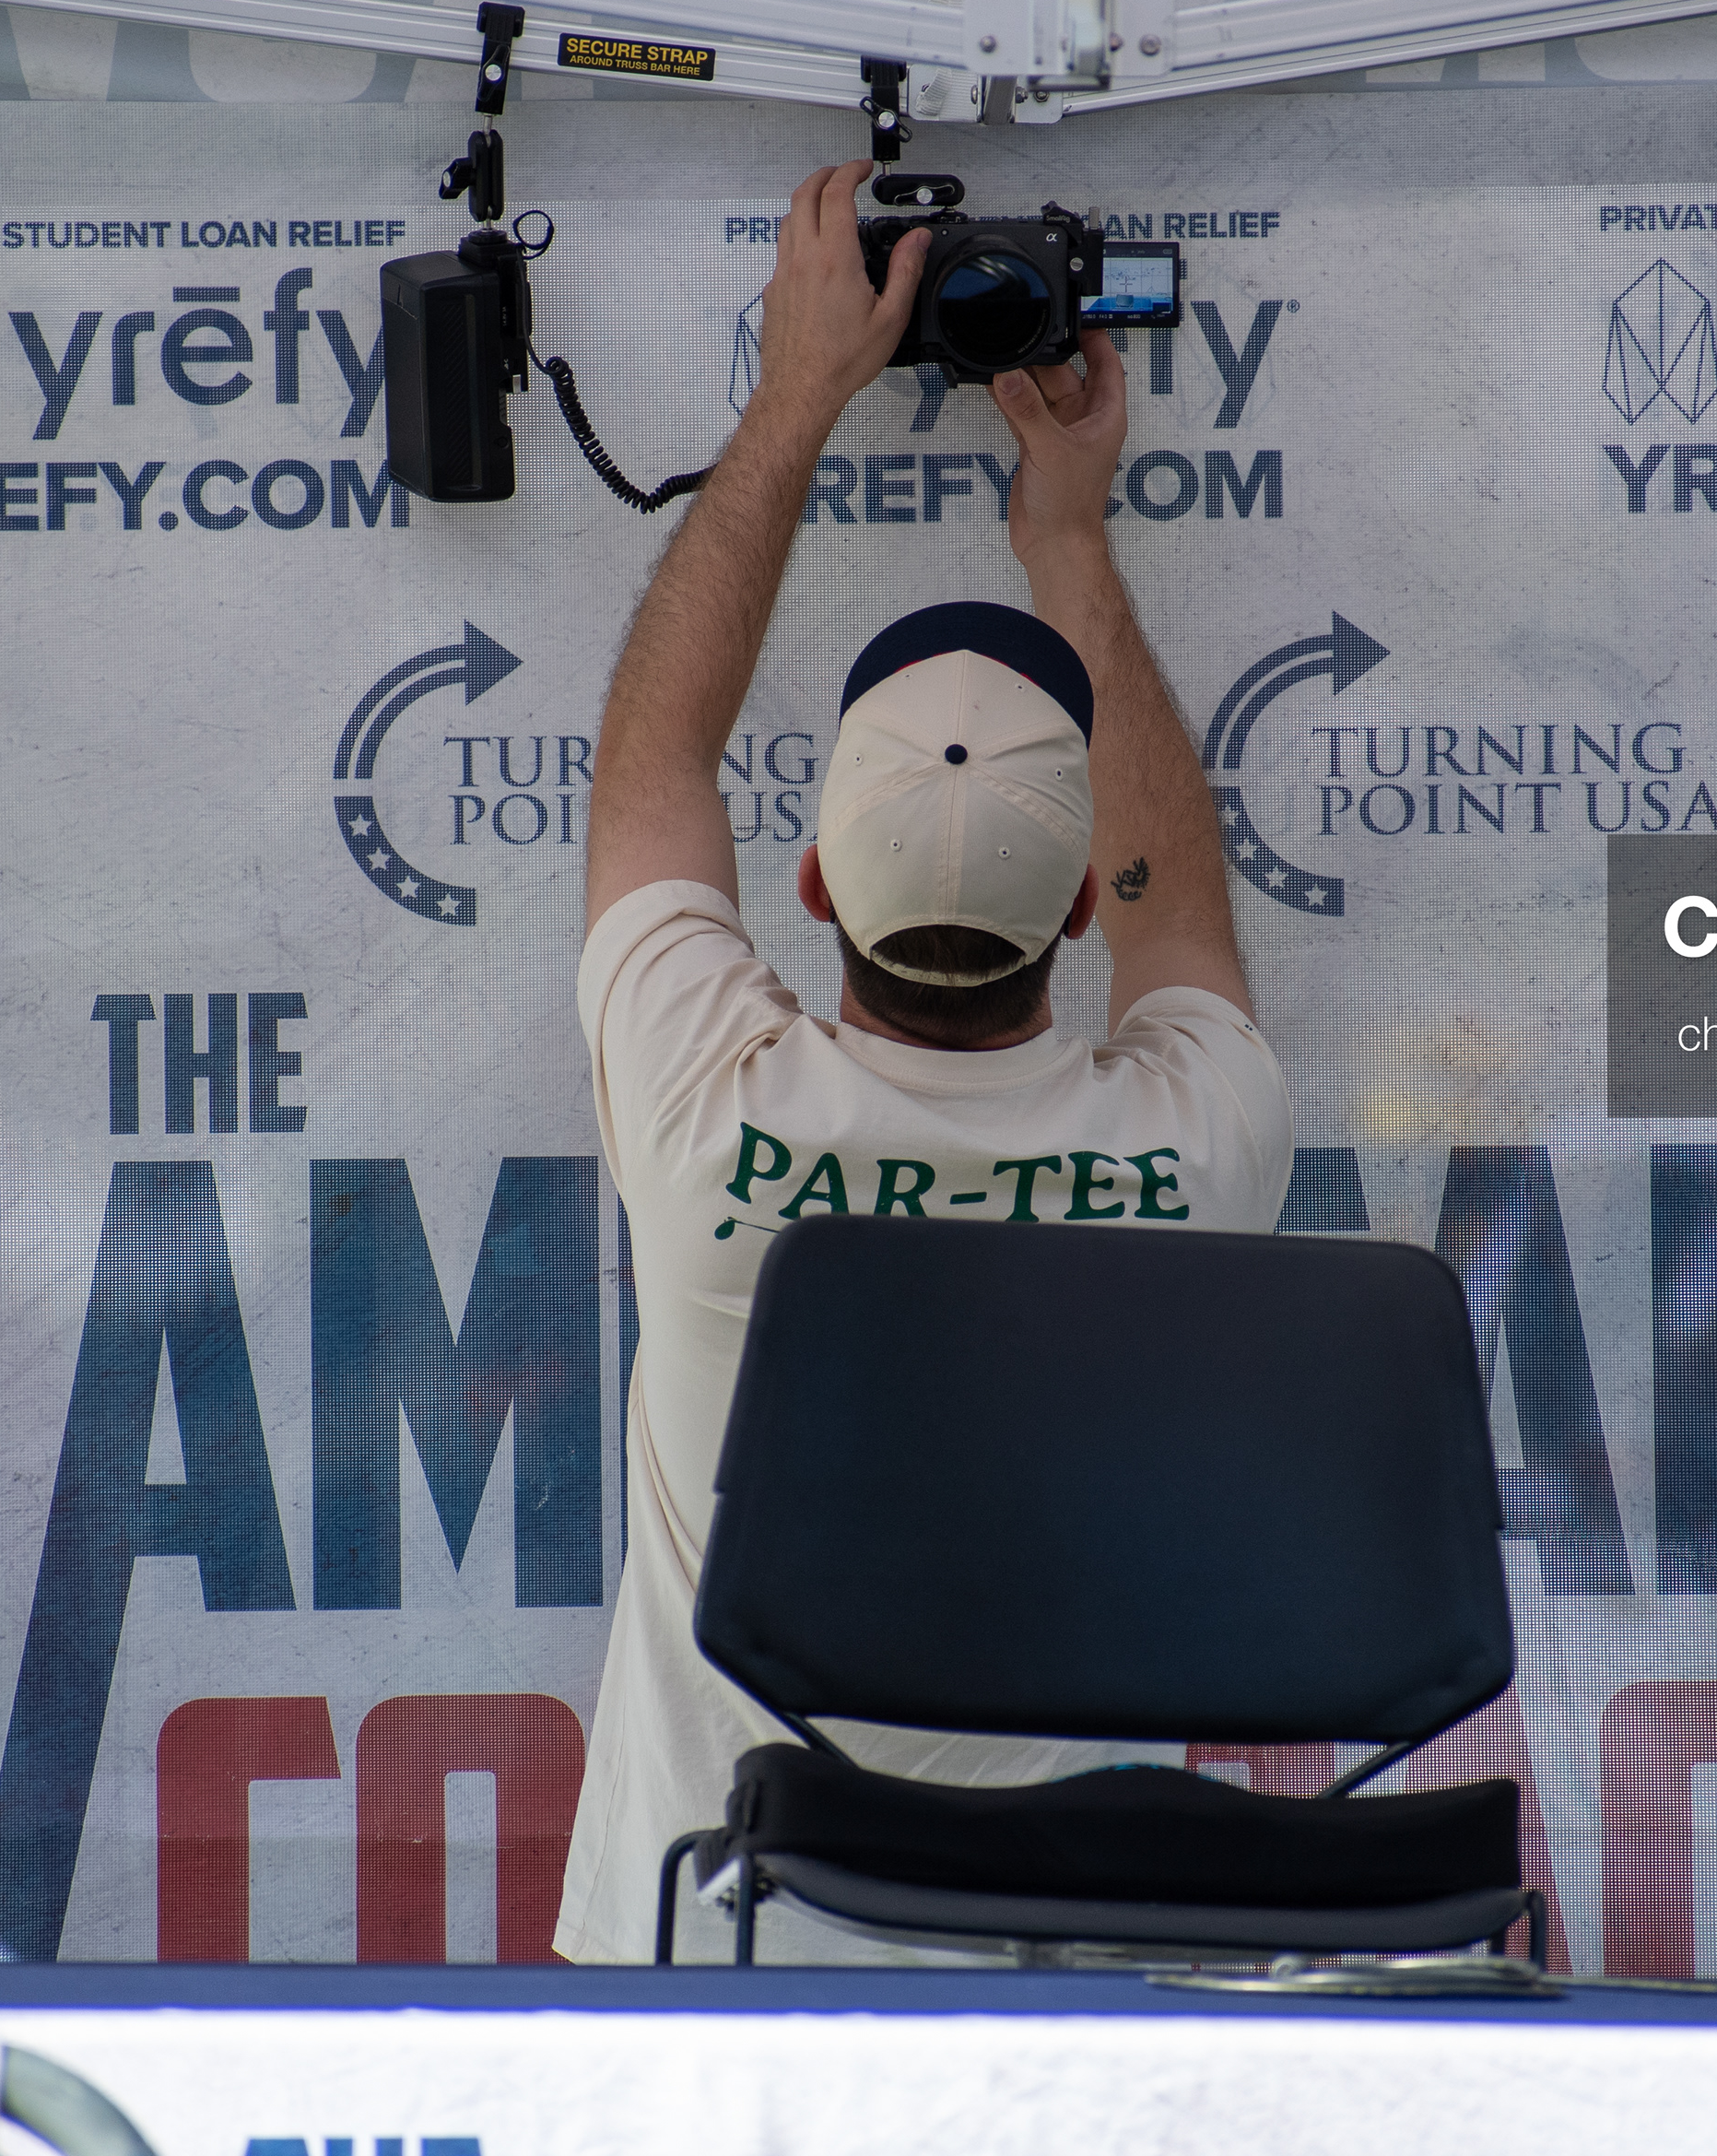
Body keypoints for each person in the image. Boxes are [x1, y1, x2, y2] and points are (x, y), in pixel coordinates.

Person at [551, 159, 1297, 1964]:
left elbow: (653, 762)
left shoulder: (703, 1103)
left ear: (809, 884)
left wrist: (796, 393)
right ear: (1071, 924)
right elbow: (1181, 900)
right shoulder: (1197, 1147)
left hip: (701, 1966)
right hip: (1054, 1997)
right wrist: (1067, 528)